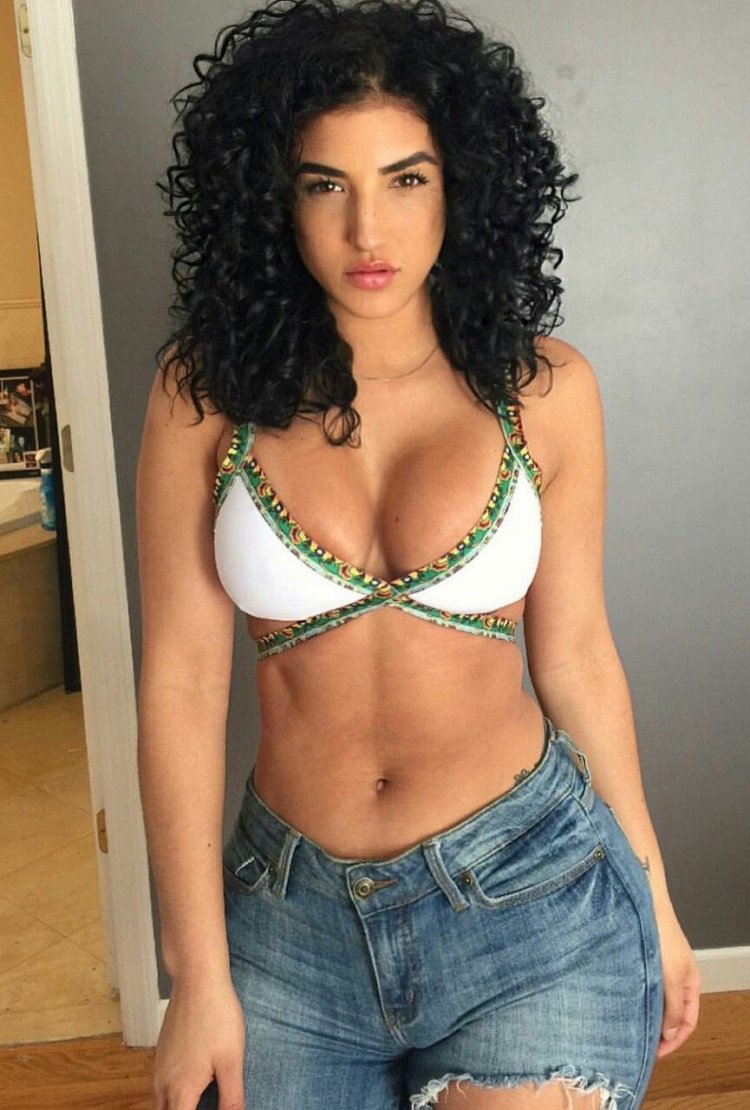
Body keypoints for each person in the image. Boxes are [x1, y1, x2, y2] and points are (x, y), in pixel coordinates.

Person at [136, 1, 700, 1106]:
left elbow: (577, 656)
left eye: (405, 179)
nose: (367, 231)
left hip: (534, 899)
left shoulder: (547, 392)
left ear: (462, 187)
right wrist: (196, 973)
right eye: (324, 184)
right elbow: (183, 683)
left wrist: (657, 892)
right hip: (289, 925)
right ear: (273, 197)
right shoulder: (201, 395)